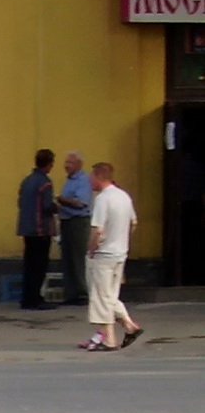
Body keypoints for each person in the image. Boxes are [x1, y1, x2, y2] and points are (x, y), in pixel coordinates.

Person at [84, 161, 143, 352]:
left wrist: (91, 249)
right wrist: (123, 241)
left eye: (92, 176)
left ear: (100, 176)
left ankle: (109, 339)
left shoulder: (103, 199)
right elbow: (133, 223)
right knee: (109, 295)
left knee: (100, 297)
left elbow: (97, 230)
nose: (90, 180)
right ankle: (129, 326)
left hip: (104, 254)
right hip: (120, 253)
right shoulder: (124, 196)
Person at [16, 148, 58, 310]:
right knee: (39, 266)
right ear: (48, 164)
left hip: (26, 228)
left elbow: (20, 202)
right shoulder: (45, 183)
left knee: (29, 265)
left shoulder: (26, 181)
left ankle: (27, 297)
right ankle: (35, 299)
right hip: (41, 229)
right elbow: (47, 206)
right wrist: (58, 208)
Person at [56, 151, 92, 305]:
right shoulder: (69, 180)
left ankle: (81, 293)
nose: (66, 165)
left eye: (69, 163)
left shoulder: (83, 180)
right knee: (67, 257)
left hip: (78, 222)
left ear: (78, 165)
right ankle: (71, 293)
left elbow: (81, 203)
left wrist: (61, 200)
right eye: (66, 162)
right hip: (66, 221)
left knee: (77, 257)